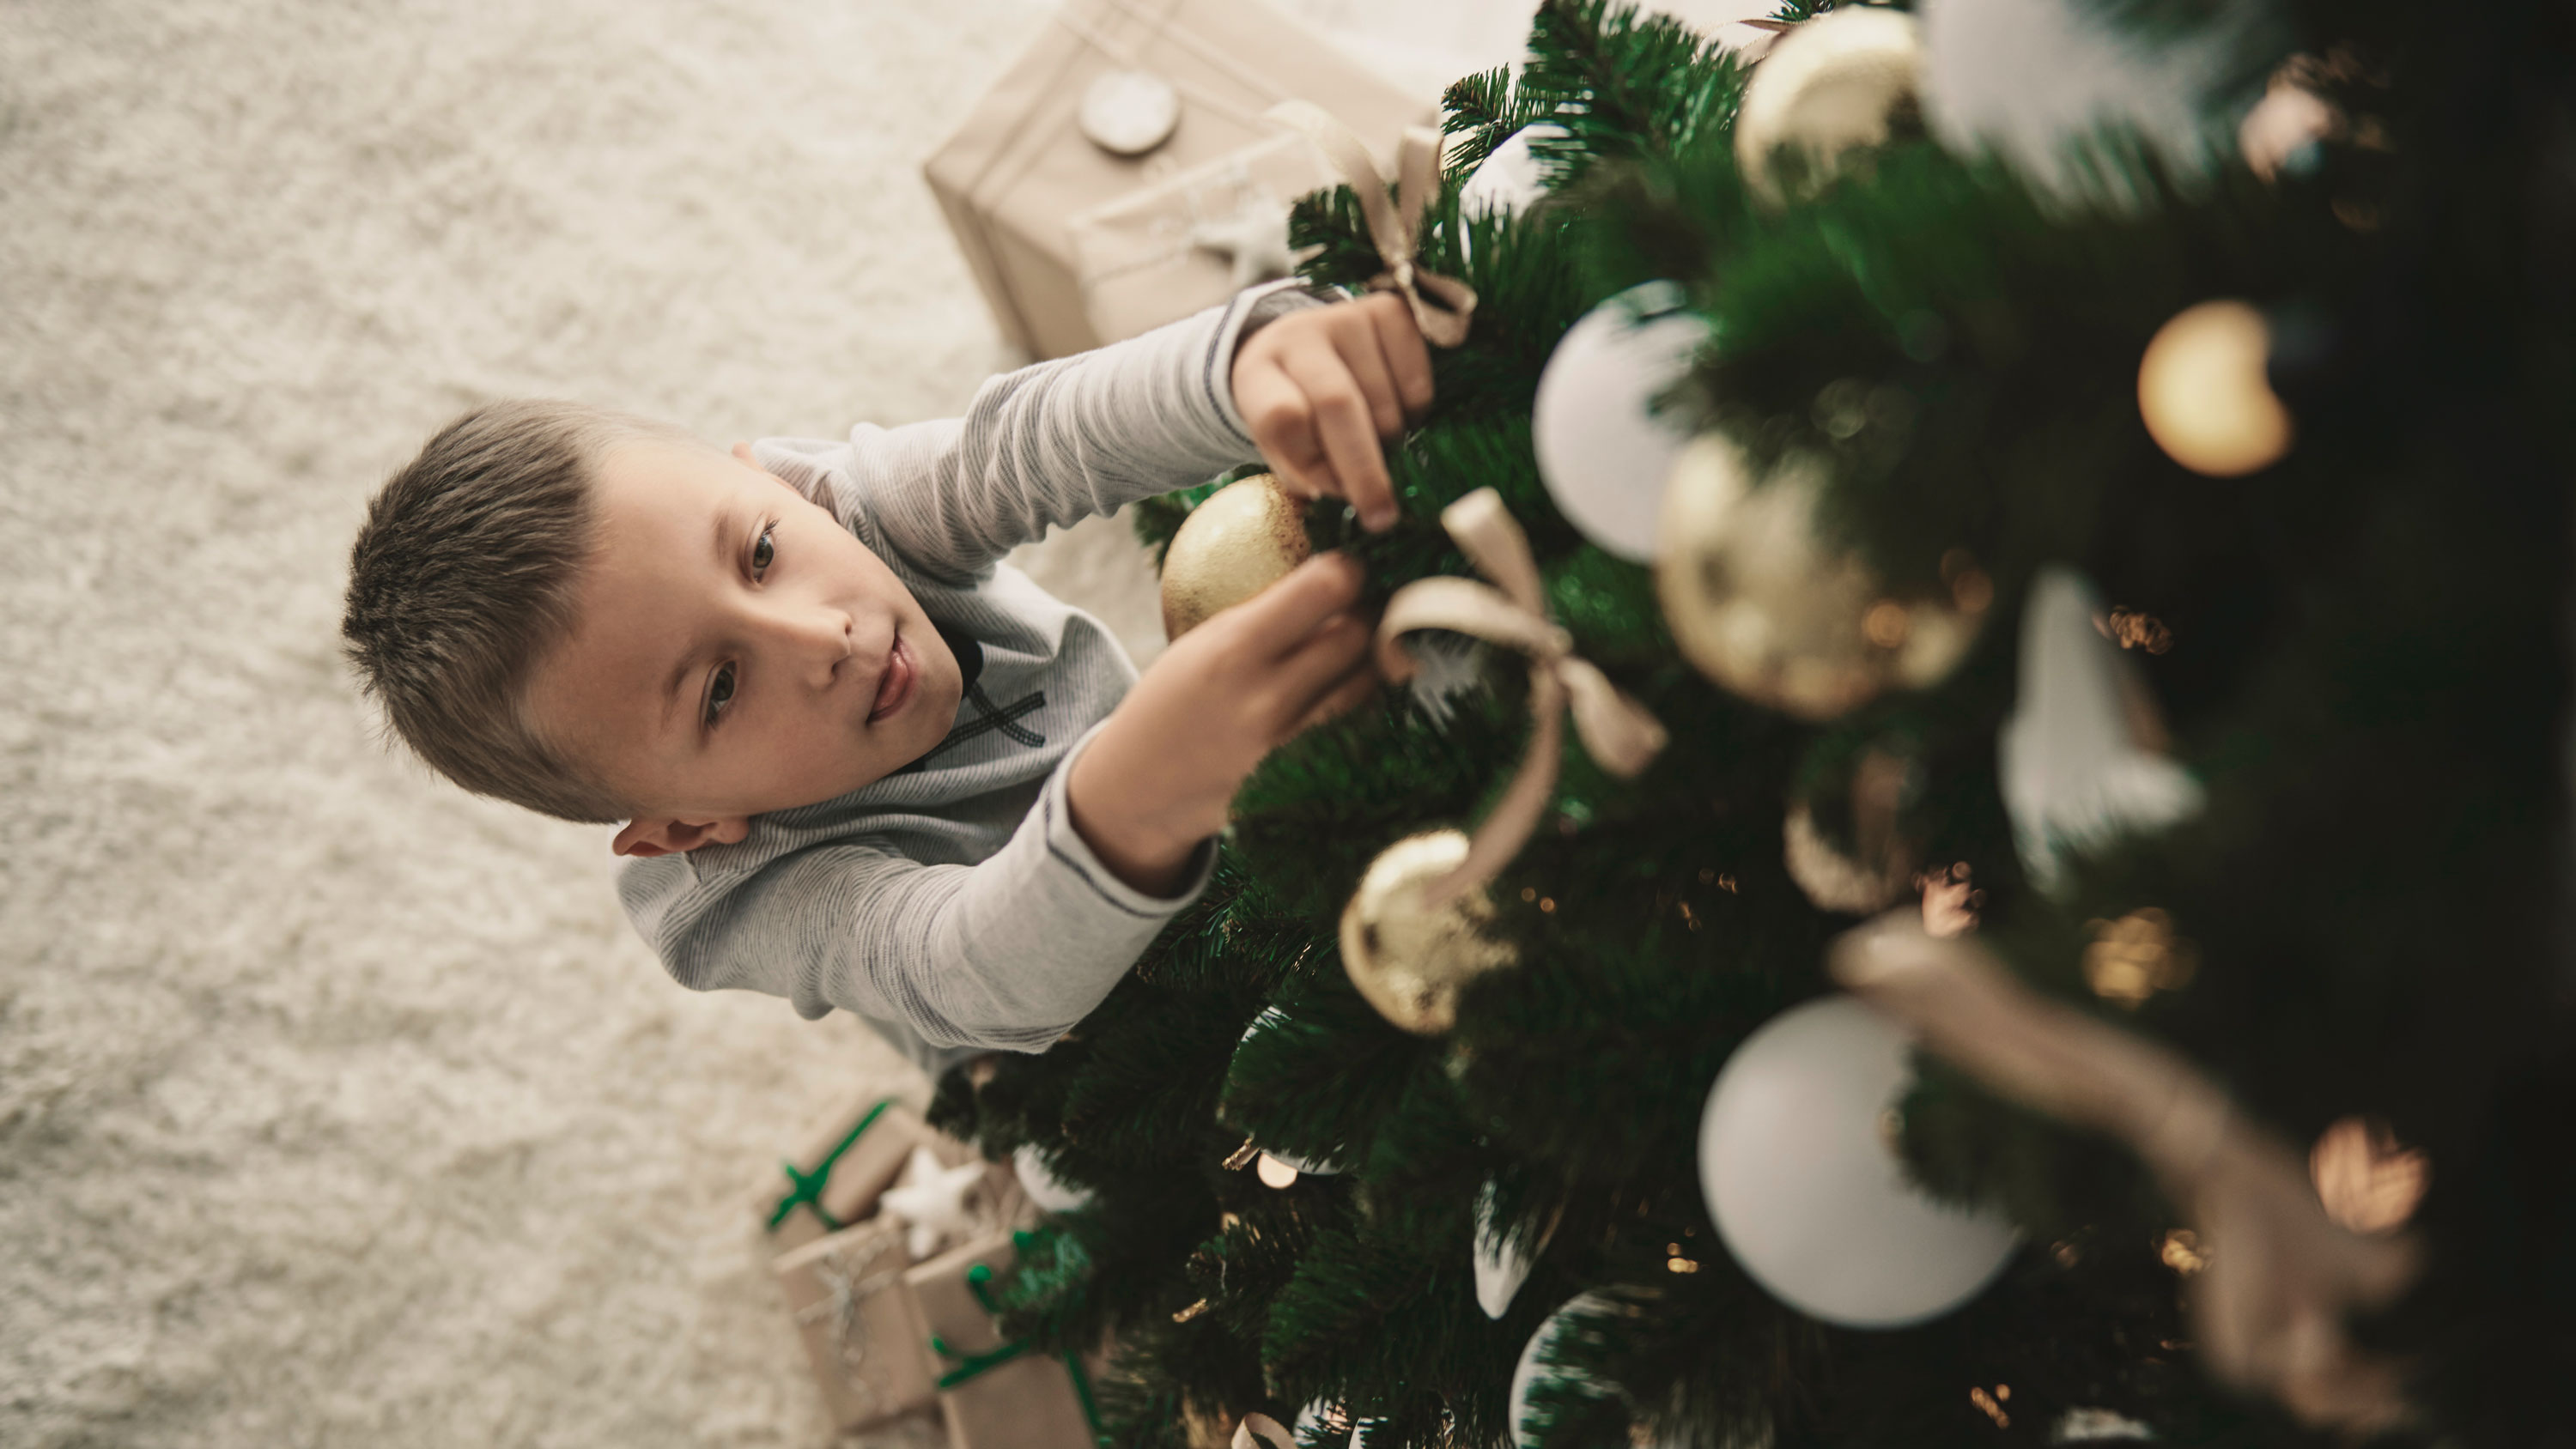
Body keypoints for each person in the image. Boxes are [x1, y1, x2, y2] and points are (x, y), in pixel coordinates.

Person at [341, 282, 1432, 1075]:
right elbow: (970, 971)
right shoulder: (741, 899)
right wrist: (1136, 795)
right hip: (1085, 1062)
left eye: (761, 552)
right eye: (720, 688)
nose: (819, 634)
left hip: (1187, 798)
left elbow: (1033, 443)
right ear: (682, 825)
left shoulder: (838, 502)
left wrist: (1244, 364)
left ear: (760, 479)